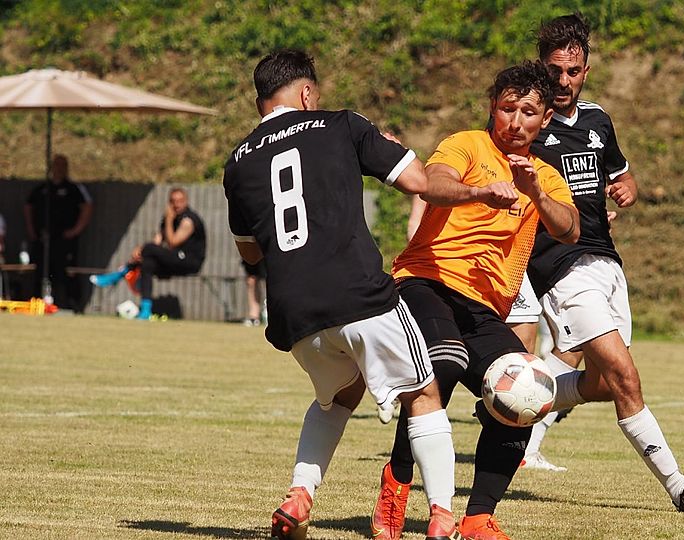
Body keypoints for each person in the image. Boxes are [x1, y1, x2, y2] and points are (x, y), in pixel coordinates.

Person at [222, 49, 459, 540]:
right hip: (358, 295)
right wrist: (399, 151)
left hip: (293, 313)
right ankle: (442, 517)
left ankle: (299, 495)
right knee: (424, 393)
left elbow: (249, 253)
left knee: (337, 397)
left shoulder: (238, 161)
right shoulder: (341, 124)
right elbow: (418, 182)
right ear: (307, 92)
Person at [524, 13, 684, 512]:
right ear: (541, 68)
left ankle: (514, 400)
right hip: (562, 269)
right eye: (554, 71)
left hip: (607, 264)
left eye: (572, 72)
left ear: (586, 71)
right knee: (626, 378)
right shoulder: (525, 126)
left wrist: (626, 189)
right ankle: (681, 488)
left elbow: (621, 174)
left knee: (598, 383)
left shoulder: (598, 121)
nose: (562, 81)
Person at [373, 60, 578, 540]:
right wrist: (481, 191)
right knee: (443, 363)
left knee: (530, 393)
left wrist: (535, 193)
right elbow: (433, 184)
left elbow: (570, 229)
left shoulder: (544, 175)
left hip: (484, 308)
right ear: (493, 106)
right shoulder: (467, 144)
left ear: (546, 119)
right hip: (424, 281)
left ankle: (478, 516)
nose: (516, 121)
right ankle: (397, 483)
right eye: (508, 108)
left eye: (529, 112)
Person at [89, 187, 205, 320]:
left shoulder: (188, 220)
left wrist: (168, 220)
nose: (176, 204)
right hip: (173, 259)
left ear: (186, 201)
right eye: (173, 201)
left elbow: (173, 242)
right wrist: (140, 252)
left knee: (149, 249)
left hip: (189, 261)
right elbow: (157, 242)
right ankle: (145, 310)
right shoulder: (169, 218)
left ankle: (121, 273)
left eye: (180, 201)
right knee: (147, 264)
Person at [23, 154, 93, 308]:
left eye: (63, 165)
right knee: (40, 269)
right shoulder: (42, 188)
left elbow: (87, 207)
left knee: (66, 271)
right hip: (43, 238)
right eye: (56, 165)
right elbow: (28, 206)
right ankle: (37, 301)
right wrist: (31, 230)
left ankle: (71, 304)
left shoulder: (74, 189)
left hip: (64, 239)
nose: (59, 169)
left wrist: (75, 230)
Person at [242, 259, 266, 326]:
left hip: (270, 254)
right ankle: (254, 318)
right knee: (251, 280)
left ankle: (272, 314)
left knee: (271, 278)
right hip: (252, 253)